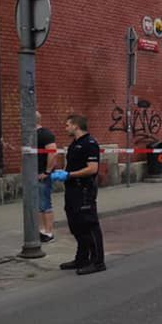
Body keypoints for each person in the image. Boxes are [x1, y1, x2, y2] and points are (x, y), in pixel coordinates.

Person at [51, 114, 105, 275]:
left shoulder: (90, 143)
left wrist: (70, 175)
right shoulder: (75, 144)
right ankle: (82, 258)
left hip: (84, 189)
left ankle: (98, 261)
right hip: (72, 189)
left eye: (67, 125)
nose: (65, 127)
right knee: (76, 225)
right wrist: (64, 173)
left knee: (89, 224)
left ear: (76, 126)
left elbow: (92, 168)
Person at [35, 111, 58, 243]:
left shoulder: (45, 134)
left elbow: (52, 153)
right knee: (38, 204)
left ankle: (49, 233)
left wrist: (47, 172)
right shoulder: (30, 135)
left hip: (42, 174)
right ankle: (41, 230)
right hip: (33, 174)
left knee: (45, 203)